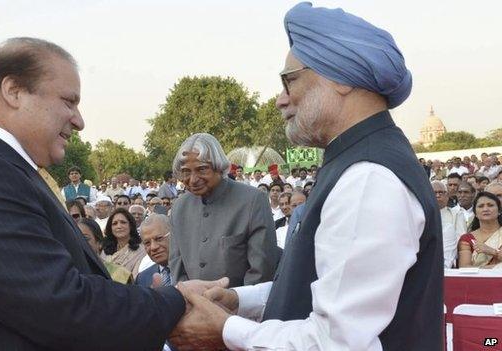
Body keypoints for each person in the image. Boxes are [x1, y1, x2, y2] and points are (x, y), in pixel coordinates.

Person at [170, 4, 442, 350]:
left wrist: (226, 330)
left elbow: (336, 341)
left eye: (290, 80)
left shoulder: (368, 179)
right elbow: (324, 285)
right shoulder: (353, 161)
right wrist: (239, 300)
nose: (281, 100)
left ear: (341, 79)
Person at [0, 37, 188, 350]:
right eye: (69, 101)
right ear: (13, 91)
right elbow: (61, 306)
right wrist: (177, 301)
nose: (79, 121)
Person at [168, 133, 278, 288]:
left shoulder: (252, 201)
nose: (193, 179)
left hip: (241, 308)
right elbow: (177, 266)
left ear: (219, 167)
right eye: (186, 171)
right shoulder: (180, 207)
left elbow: (261, 270)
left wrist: (235, 303)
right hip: (193, 307)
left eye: (202, 169)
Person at [76, 218, 132, 284]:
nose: (79, 243)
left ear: (99, 243)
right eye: (75, 238)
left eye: (85, 238)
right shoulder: (68, 275)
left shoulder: (120, 275)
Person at [457, 192, 502, 269]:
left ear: (499, 211)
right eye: (481, 206)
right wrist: (497, 268)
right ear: (475, 214)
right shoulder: (467, 239)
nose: (485, 209)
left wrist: (492, 251)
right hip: (478, 280)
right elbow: (464, 268)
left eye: (490, 205)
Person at [100, 208, 146, 278]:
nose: (119, 226)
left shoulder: (141, 251)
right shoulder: (104, 250)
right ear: (110, 228)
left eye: (123, 222)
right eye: (114, 224)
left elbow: (134, 278)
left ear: (130, 225)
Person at [431, 181, 467, 268]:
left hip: (449, 259)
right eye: (434, 193)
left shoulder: (457, 213)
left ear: (447, 196)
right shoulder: (421, 214)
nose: (438, 195)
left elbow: (461, 238)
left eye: (441, 192)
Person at [135, 214, 172, 288]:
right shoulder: (142, 278)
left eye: (159, 239)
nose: (153, 247)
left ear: (173, 235)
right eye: (147, 243)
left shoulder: (194, 270)